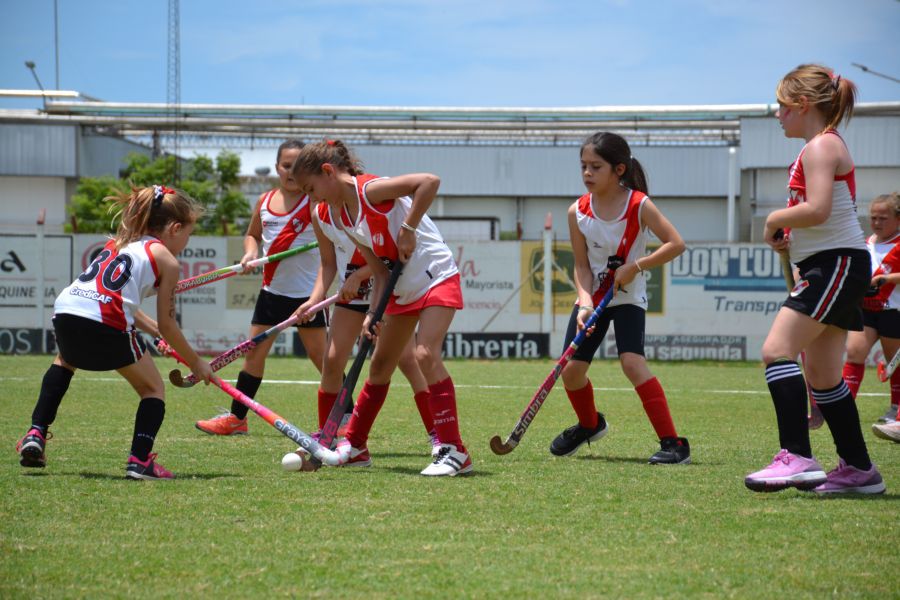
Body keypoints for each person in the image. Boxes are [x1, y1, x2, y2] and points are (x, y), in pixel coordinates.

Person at [291, 139, 470, 476]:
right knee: (380, 366)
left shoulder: (369, 190)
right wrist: (373, 314)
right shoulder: (341, 216)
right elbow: (379, 271)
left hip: (435, 276)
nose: (311, 198)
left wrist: (408, 227)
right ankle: (355, 444)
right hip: (399, 289)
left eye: (311, 188)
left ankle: (454, 450)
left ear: (328, 172)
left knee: (424, 355)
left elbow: (428, 181)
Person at [745, 64, 885, 494]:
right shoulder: (820, 146)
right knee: (823, 377)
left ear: (802, 105)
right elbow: (822, 215)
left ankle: (797, 456)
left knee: (776, 351)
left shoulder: (820, 147)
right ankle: (859, 471)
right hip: (833, 263)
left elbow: (820, 208)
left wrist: (774, 218)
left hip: (836, 265)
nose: (777, 115)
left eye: (782, 107)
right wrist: (791, 238)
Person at [15, 185, 212, 480]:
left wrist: (155, 333)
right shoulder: (168, 261)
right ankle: (139, 461)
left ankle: (36, 433)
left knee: (64, 360)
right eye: (188, 234)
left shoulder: (119, 243)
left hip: (67, 311)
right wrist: (196, 362)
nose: (187, 241)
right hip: (106, 322)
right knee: (152, 389)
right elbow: (169, 325)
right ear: (174, 228)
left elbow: (124, 304)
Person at [550, 131, 689, 465]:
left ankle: (674, 444)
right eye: (583, 166)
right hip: (593, 299)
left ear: (619, 170)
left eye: (595, 167)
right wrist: (584, 302)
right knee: (571, 372)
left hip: (627, 296)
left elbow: (676, 243)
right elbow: (581, 266)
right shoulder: (576, 212)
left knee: (631, 362)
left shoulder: (639, 204)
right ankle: (590, 425)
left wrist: (636, 265)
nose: (587, 173)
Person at [195, 140, 328, 436]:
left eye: (298, 166)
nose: (291, 172)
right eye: (285, 166)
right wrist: (250, 253)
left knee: (323, 360)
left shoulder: (317, 201)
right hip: (272, 293)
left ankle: (345, 420)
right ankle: (237, 418)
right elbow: (252, 236)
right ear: (277, 167)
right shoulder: (265, 201)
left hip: (308, 295)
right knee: (253, 357)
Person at [292, 195, 439, 461]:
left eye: (310, 185)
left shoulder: (368, 204)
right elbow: (328, 264)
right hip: (352, 298)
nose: (309, 193)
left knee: (406, 360)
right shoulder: (320, 214)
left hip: (386, 294)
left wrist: (360, 276)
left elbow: (391, 256)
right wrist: (314, 300)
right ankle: (330, 436)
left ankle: (437, 432)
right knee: (333, 360)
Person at [842, 192, 900, 427]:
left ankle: (895, 409)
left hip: (893, 311)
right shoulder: (866, 244)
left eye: (882, 218)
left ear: (897, 219)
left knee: (892, 362)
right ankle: (843, 407)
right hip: (865, 310)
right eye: (873, 218)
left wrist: (887, 279)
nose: (876, 223)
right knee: (854, 352)